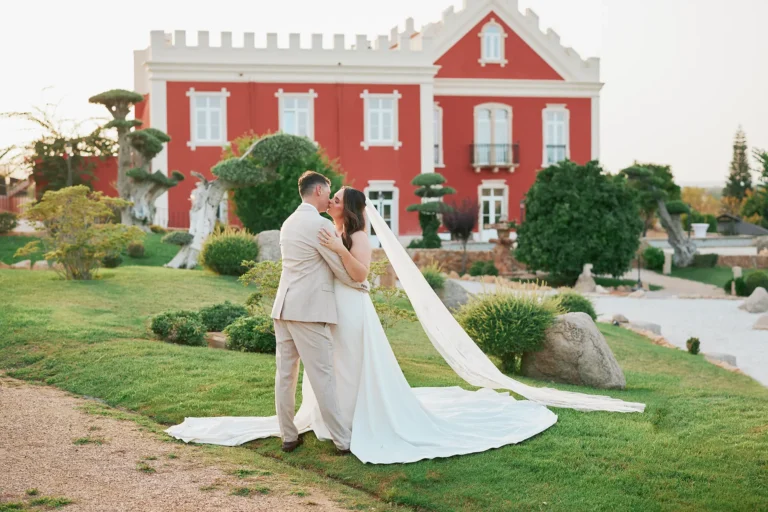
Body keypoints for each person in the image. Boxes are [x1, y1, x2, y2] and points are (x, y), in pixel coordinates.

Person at [166, 182, 645, 464]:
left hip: (347, 307)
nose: (332, 200)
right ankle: (328, 423)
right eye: (330, 195)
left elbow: (359, 275)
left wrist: (337, 251)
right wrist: (330, 247)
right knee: (329, 369)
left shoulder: (354, 235)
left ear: (348, 207)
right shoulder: (327, 227)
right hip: (325, 308)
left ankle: (350, 425)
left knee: (343, 367)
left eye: (337, 199)